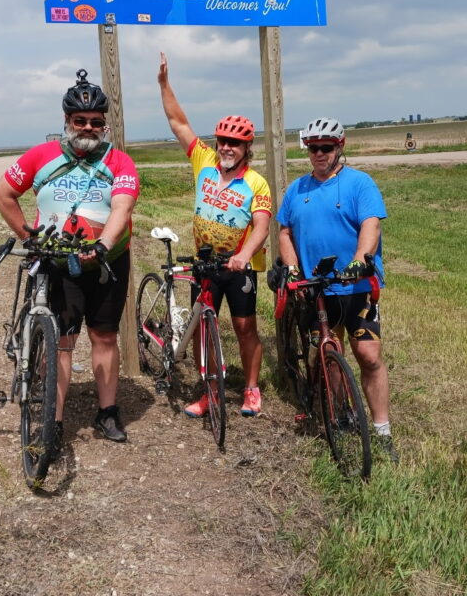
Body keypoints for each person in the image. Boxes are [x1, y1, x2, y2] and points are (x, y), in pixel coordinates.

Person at [0, 69, 139, 445]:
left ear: (104, 125)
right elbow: (3, 193)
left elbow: (122, 208)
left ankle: (107, 412)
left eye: (95, 122)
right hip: (58, 262)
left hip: (107, 260)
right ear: (67, 121)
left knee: (105, 336)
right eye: (80, 121)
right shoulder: (41, 156)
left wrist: (104, 244)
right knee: (61, 341)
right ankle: (53, 422)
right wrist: (28, 235)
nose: (88, 128)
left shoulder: (120, 162)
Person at [156, 52, 272, 417]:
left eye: (233, 143)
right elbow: (178, 123)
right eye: (222, 140)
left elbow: (262, 227)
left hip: (239, 267)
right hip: (206, 265)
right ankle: (210, 392)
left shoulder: (256, 182)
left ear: (246, 148)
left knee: (243, 327)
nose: (225, 147)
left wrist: (243, 256)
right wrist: (163, 84)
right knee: (201, 328)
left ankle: (251, 389)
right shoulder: (204, 162)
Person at [276, 117, 397, 462]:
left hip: (356, 286)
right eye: (312, 148)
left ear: (340, 146)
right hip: (317, 288)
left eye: (326, 148)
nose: (318, 154)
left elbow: (370, 225)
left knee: (369, 356)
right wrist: (293, 268)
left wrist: (361, 259)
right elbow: (284, 231)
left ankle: (382, 430)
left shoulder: (360, 183)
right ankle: (340, 415)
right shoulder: (297, 189)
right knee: (331, 354)